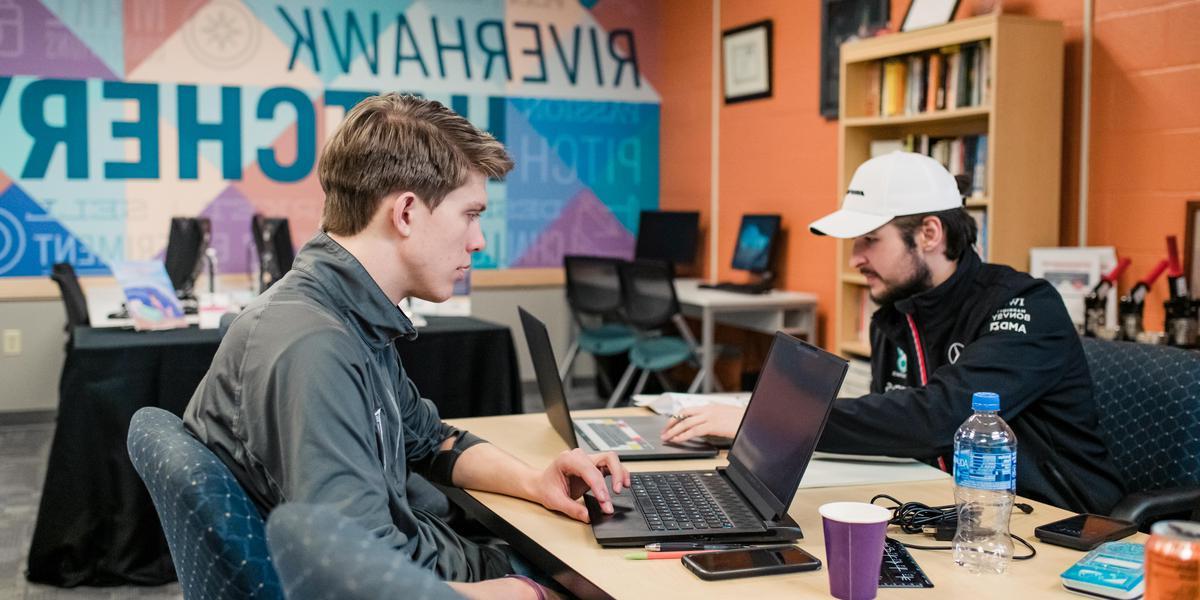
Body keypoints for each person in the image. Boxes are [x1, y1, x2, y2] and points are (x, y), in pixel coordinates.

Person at [184, 93, 630, 599]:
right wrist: (535, 595)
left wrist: (535, 481)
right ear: (407, 212)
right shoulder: (313, 349)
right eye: (470, 214)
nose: (478, 239)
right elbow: (363, 583)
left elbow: (431, 440)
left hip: (434, 560)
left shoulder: (347, 314)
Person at [661, 151, 1125, 515]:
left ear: (929, 233)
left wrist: (779, 421)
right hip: (942, 510)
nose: (855, 259)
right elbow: (895, 431)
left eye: (870, 240)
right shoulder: (896, 315)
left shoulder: (1024, 306)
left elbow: (939, 417)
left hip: (1051, 522)